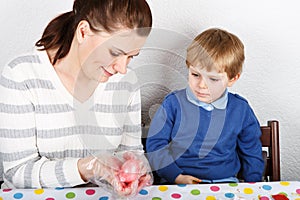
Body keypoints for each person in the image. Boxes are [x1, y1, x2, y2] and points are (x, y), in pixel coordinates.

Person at [0, 0, 152, 197]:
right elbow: (16, 172)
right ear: (83, 32)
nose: (122, 68)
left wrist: (135, 171)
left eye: (131, 57)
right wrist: (88, 168)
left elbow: (130, 152)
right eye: (115, 52)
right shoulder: (22, 75)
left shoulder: (127, 81)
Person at [146, 28, 264, 184]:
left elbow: (252, 151)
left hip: (225, 183)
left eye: (213, 79)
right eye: (195, 75)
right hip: (177, 182)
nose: (201, 85)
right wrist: (176, 176)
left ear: (232, 79)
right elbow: (155, 146)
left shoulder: (240, 109)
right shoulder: (173, 104)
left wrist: (253, 185)